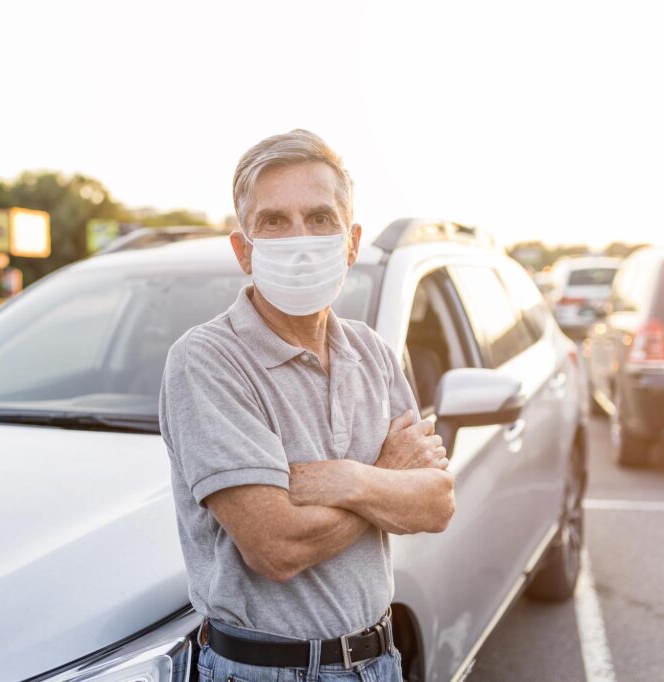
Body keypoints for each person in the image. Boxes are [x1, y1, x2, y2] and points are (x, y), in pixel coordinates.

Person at [158, 129, 455, 682]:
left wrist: (349, 478)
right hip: (263, 672)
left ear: (351, 241)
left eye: (321, 218)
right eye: (273, 221)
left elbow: (436, 503)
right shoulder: (207, 361)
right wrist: (389, 478)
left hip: (379, 663)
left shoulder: (374, 353)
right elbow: (276, 548)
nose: (300, 239)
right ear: (243, 251)